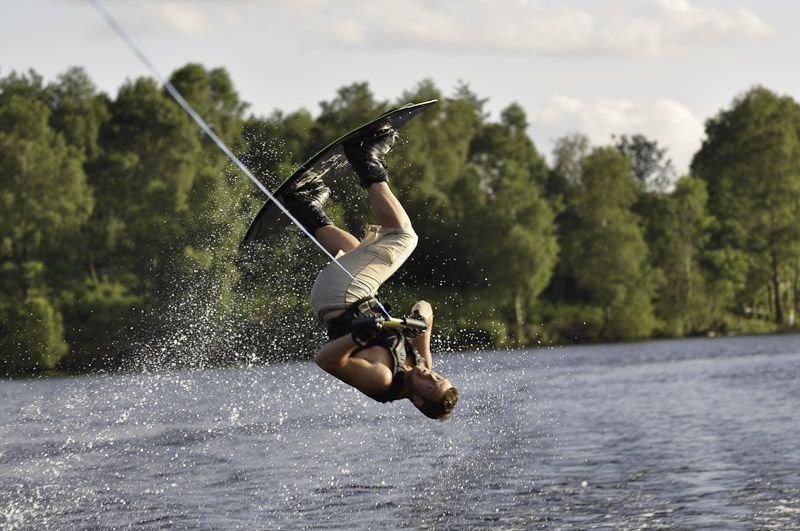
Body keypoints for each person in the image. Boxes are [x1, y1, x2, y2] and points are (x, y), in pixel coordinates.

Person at [283, 127, 459, 420]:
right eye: (438, 377)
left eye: (429, 385)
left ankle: (364, 156)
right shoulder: (421, 362)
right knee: (356, 248)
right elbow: (425, 308)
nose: (430, 375)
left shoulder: (382, 380)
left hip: (342, 295)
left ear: (416, 400)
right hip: (343, 292)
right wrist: (419, 320)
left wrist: (358, 337)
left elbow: (325, 360)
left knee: (404, 236)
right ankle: (304, 207)